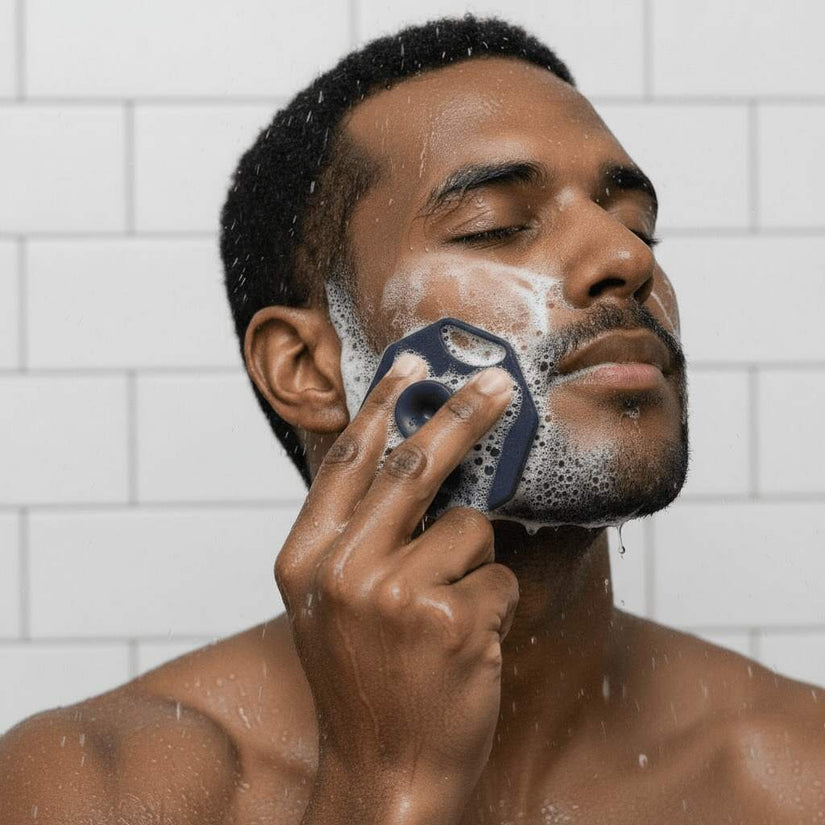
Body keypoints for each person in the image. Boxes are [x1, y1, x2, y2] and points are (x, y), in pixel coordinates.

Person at [1, 15, 823, 825]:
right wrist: (381, 790)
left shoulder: (799, 771)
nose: (629, 258)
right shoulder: (100, 788)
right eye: (494, 225)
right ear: (308, 367)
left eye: (636, 223)